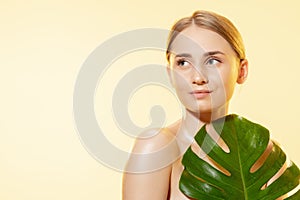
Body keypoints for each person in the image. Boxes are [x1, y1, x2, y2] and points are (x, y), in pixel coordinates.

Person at [122, 10, 290, 199]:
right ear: (170, 74)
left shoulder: (265, 152)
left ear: (242, 71)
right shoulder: (159, 146)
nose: (198, 77)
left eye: (212, 61)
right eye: (183, 63)